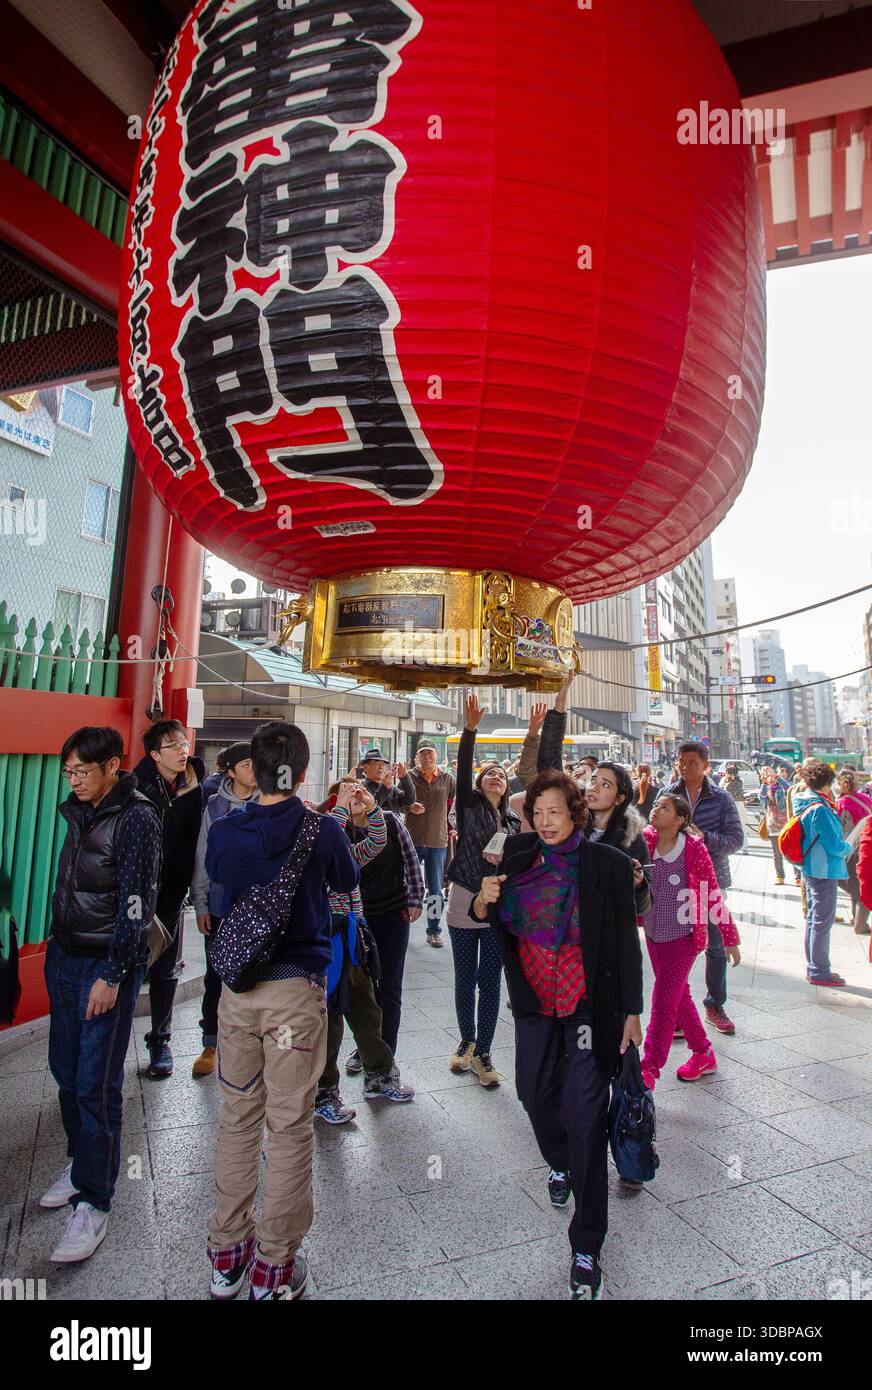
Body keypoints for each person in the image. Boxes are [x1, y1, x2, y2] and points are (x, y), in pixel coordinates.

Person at [472, 770, 643, 1301]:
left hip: (590, 1010)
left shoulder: (608, 866)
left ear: (576, 813)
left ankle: (586, 1244)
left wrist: (633, 1012)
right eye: (536, 813)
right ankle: (559, 1161)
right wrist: (483, 897)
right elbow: (486, 912)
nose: (544, 822)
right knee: (533, 1095)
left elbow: (622, 942)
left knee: (587, 1118)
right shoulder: (518, 856)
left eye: (554, 812)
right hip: (534, 1007)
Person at [204, 721, 358, 1301]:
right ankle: (273, 1267)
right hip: (295, 994)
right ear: (302, 766)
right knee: (289, 1126)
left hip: (238, 994)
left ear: (253, 769)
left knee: (237, 1119)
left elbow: (221, 881)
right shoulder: (321, 830)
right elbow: (345, 880)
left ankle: (226, 1256)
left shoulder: (226, 829)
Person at [42, 726, 161, 1263]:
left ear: (113, 765)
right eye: (69, 772)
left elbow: (137, 902)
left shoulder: (135, 817)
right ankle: (79, 1162)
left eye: (83, 771)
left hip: (104, 966)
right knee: (65, 1072)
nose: (75, 781)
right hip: (63, 957)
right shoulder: (78, 810)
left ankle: (94, 1201)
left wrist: (112, 976)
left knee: (96, 1081)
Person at [313, 781, 415, 1123]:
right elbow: (331, 841)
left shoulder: (347, 851)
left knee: (367, 1011)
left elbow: (377, 842)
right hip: (327, 942)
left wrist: (371, 808)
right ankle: (324, 1093)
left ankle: (379, 1075)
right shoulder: (318, 840)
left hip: (353, 939)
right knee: (330, 1021)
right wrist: (339, 807)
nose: (352, 796)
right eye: (346, 793)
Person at [444, 694, 521, 1086]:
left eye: (501, 775)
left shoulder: (511, 820)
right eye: (488, 773)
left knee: (490, 979)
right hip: (462, 897)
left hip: (496, 904)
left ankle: (485, 1053)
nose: (495, 777)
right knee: (464, 977)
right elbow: (461, 768)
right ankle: (466, 1042)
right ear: (478, 783)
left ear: (507, 786)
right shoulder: (471, 806)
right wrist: (470, 729)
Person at [640, 794, 740, 1089]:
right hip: (653, 933)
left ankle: (649, 1067)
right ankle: (704, 1053)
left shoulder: (694, 849)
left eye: (665, 808)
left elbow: (711, 894)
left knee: (663, 1000)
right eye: (656, 806)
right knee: (678, 995)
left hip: (684, 937)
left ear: (681, 820)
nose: (656, 810)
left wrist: (730, 937)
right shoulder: (645, 841)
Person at [654, 741, 743, 1036]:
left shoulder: (721, 798)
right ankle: (681, 1009)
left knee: (715, 946)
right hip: (670, 886)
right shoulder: (667, 795)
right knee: (675, 947)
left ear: (705, 765)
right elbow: (651, 833)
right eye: (681, 761)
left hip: (710, 880)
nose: (685, 767)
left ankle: (714, 1004)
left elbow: (736, 839)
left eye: (692, 762)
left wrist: (706, 839)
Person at [134, 720, 205, 1079]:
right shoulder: (135, 789)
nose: (182, 750)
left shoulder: (194, 788)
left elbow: (198, 843)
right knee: (131, 967)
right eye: (172, 745)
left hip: (172, 895)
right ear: (153, 754)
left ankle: (160, 1041)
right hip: (136, 896)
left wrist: (195, 891)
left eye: (183, 743)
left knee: (166, 971)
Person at [342, 781, 424, 1078]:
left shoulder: (390, 821)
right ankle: (365, 1048)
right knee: (364, 989)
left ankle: (387, 1053)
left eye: (360, 795)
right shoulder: (339, 831)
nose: (356, 800)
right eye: (349, 797)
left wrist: (415, 898)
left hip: (393, 912)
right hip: (358, 919)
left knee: (390, 986)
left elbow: (411, 859)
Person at [189, 742, 258, 1077]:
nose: (253, 771)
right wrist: (200, 901)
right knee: (215, 976)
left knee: (259, 977)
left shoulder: (270, 803)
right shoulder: (215, 807)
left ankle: (254, 1043)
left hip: (261, 909)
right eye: (246, 764)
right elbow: (204, 857)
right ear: (230, 771)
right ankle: (211, 1041)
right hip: (220, 905)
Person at [795, 759, 853, 988]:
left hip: (811, 867)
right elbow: (834, 845)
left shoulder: (805, 801)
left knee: (813, 919)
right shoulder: (820, 808)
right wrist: (849, 846)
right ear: (827, 784)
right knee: (821, 921)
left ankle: (815, 967)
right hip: (824, 869)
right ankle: (819, 970)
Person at [584, 762, 651, 918]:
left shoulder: (632, 838)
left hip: (609, 930)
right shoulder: (569, 826)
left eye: (605, 785)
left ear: (619, 799)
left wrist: (639, 885)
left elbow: (643, 907)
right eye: (593, 780)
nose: (594, 787)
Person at [406, 742, 455, 946]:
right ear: (418, 757)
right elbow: (397, 800)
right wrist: (409, 805)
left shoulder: (448, 779)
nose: (427, 757)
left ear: (436, 755)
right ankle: (402, 926)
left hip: (438, 841)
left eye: (430, 753)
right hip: (413, 840)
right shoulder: (408, 777)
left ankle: (434, 930)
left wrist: (453, 825)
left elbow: (453, 806)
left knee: (435, 890)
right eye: (423, 753)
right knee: (406, 886)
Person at [758, 765, 791, 885]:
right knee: (776, 853)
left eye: (772, 777)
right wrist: (763, 783)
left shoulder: (782, 788)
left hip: (785, 824)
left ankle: (798, 876)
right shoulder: (766, 790)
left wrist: (778, 778)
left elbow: (789, 788)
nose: (770, 779)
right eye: (768, 777)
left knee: (790, 851)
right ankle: (780, 876)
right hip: (772, 825)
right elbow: (761, 798)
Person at [356, 748, 416, 812]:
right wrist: (384, 788)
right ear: (365, 768)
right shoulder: (361, 788)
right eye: (377, 763)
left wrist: (405, 778)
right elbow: (369, 809)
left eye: (383, 764)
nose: (381, 767)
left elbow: (410, 800)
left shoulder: (392, 788)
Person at [835, 767, 872, 832]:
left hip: (851, 838)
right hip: (867, 834)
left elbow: (838, 825)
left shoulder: (840, 803)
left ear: (839, 784)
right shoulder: (866, 797)